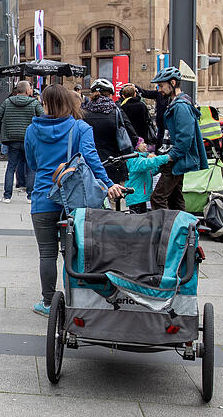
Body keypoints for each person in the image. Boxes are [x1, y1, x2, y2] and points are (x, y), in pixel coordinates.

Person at [24, 84, 126, 316]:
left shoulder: (32, 129)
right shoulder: (81, 128)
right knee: (74, 253)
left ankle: (49, 303)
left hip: (43, 198)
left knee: (47, 254)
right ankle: (74, 300)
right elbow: (91, 159)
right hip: (74, 201)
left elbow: (32, 163)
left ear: (46, 104)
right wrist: (109, 184)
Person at [149, 67, 208, 211]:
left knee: (157, 198)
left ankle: (166, 230)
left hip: (173, 160)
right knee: (175, 198)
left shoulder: (181, 106)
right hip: (172, 159)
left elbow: (185, 139)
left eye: (161, 85)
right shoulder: (176, 103)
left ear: (173, 83)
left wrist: (170, 156)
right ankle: (183, 229)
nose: (159, 89)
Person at [0, 80, 43, 203]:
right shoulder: (34, 103)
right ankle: (30, 196)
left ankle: (7, 196)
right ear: (27, 91)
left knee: (11, 167)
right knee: (31, 167)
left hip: (12, 139)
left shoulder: (7, 102)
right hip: (30, 139)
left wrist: (3, 131)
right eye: (30, 89)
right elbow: (43, 119)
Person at [81, 78, 138, 184]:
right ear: (110, 95)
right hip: (114, 164)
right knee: (113, 196)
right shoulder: (116, 112)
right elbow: (133, 137)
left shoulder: (83, 113)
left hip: (90, 164)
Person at [125, 139, 170, 213]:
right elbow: (147, 163)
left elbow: (150, 172)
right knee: (138, 220)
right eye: (142, 143)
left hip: (140, 197)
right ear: (137, 146)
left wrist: (160, 167)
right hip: (136, 198)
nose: (145, 145)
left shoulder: (140, 159)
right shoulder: (134, 159)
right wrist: (166, 158)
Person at [131, 81, 169, 147]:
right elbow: (146, 93)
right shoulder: (159, 94)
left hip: (166, 129)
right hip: (160, 129)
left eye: (161, 86)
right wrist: (134, 86)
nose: (159, 89)